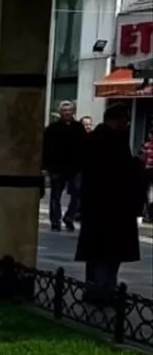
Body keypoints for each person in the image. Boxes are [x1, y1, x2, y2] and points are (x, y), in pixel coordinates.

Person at [75, 103, 143, 301]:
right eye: (125, 120)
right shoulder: (114, 141)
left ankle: (94, 288)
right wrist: (137, 164)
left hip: (96, 207)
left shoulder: (94, 139)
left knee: (96, 253)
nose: (127, 124)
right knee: (109, 253)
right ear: (117, 120)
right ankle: (104, 291)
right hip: (113, 209)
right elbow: (119, 173)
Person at [42, 101, 87, 232]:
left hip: (75, 167)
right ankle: (55, 221)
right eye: (64, 111)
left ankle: (69, 217)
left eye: (69, 110)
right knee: (55, 195)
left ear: (73, 112)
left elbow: (84, 147)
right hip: (57, 167)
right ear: (60, 112)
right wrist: (46, 166)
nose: (67, 113)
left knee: (76, 194)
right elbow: (46, 148)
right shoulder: (53, 128)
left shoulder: (78, 128)